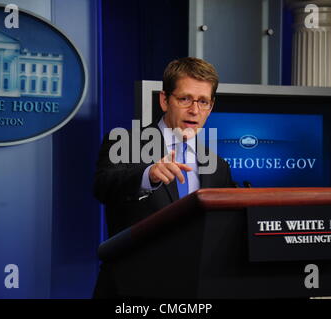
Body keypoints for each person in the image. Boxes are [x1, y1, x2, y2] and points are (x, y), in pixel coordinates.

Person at [92, 57, 236, 298]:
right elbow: (103, 186)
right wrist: (149, 175)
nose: (194, 110)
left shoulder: (217, 166)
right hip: (134, 289)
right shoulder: (124, 142)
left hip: (195, 290)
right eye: (185, 99)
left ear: (211, 106)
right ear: (164, 100)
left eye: (203, 102)